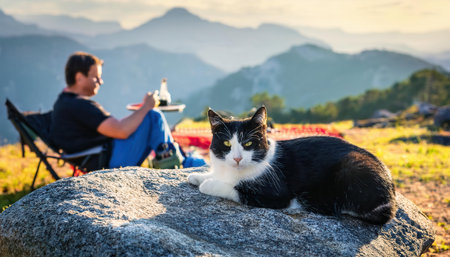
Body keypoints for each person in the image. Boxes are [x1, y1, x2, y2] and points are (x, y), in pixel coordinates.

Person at [49, 51, 205, 171]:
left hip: (100, 154)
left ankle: (180, 161)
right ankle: (184, 164)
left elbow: (114, 128)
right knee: (153, 116)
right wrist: (146, 107)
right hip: (107, 160)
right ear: (79, 78)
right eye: (95, 78)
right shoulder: (79, 105)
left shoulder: (64, 102)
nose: (100, 82)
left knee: (149, 118)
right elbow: (121, 131)